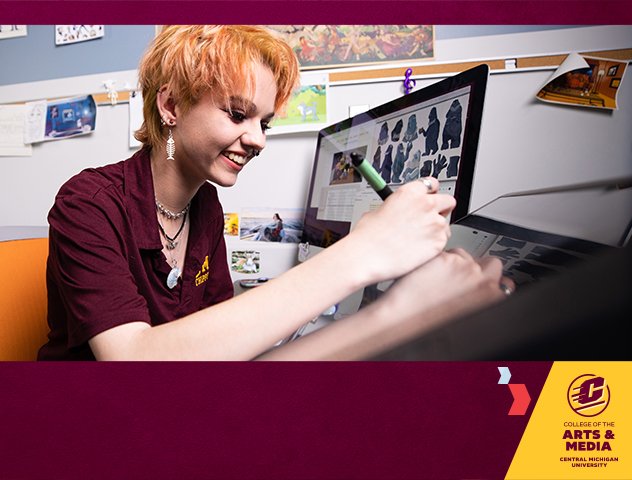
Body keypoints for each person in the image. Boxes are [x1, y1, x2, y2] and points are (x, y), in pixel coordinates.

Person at [38, 25, 511, 361]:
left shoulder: (203, 207)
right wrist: (363, 254)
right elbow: (135, 365)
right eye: (238, 114)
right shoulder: (88, 202)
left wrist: (398, 314)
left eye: (264, 123)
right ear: (170, 105)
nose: (259, 139)